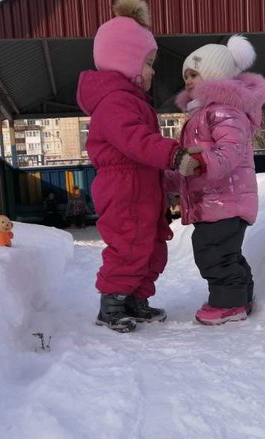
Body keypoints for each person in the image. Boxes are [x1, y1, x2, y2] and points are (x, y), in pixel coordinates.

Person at [77, 0, 200, 333]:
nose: (153, 71)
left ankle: (135, 299)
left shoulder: (131, 100)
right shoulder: (115, 102)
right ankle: (112, 303)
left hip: (143, 187)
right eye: (148, 63)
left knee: (152, 244)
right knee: (129, 244)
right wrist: (172, 154)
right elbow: (135, 140)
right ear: (126, 61)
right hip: (123, 188)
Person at [172, 35, 265, 325]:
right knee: (226, 253)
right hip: (214, 200)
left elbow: (229, 152)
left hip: (225, 199)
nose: (188, 81)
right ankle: (241, 297)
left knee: (213, 254)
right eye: (186, 76)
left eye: (194, 74)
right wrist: (173, 175)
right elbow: (190, 158)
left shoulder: (223, 111)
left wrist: (199, 161)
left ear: (214, 76)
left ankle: (229, 304)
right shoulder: (201, 113)